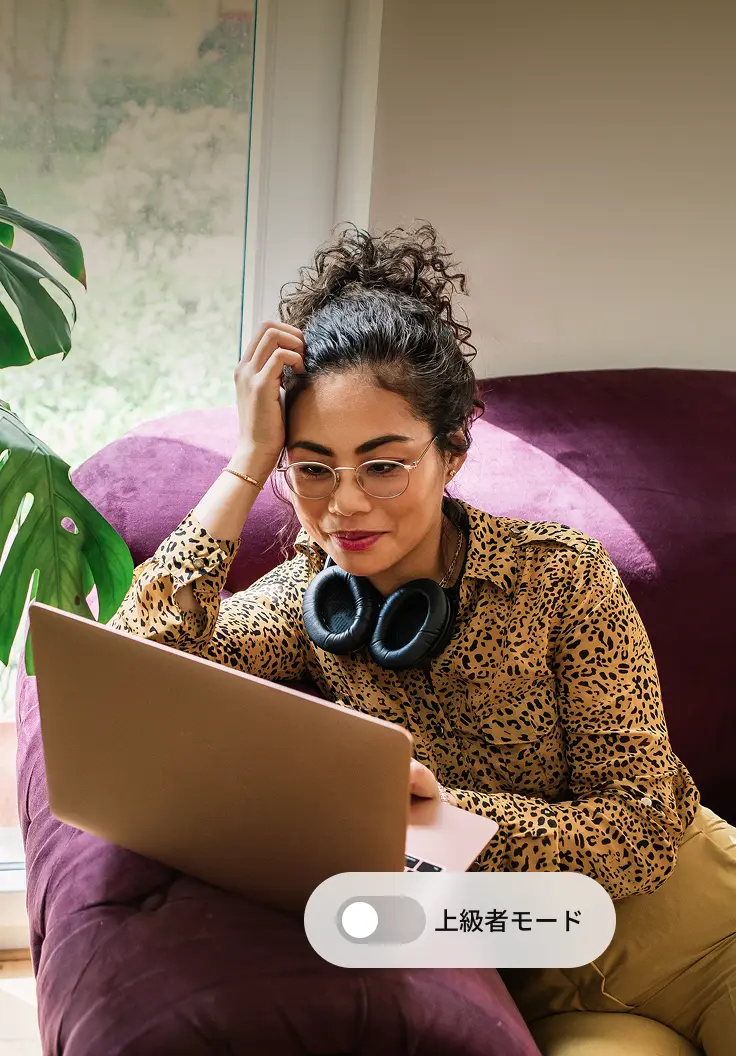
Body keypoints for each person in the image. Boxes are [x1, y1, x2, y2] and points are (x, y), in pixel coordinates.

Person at [111, 223, 735, 1054]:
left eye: (383, 463)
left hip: (704, 934)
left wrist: (446, 824)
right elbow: (131, 681)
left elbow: (645, 827)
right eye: (315, 466)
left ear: (452, 454)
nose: (347, 505)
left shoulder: (561, 580)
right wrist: (249, 462)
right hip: (548, 987)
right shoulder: (310, 601)